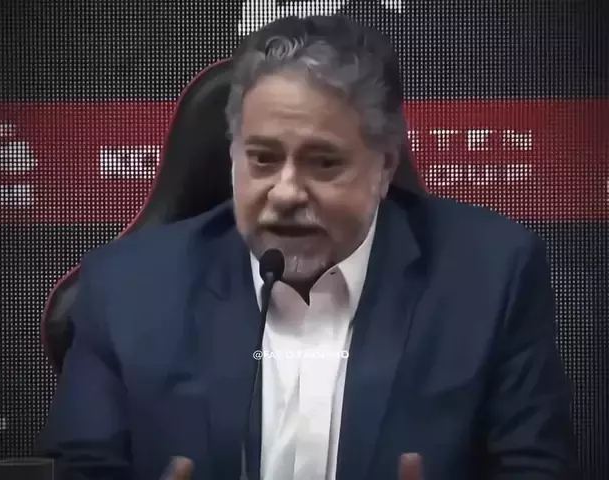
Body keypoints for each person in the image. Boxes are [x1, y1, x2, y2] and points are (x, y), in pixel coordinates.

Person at [38, 15, 579, 480]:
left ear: (384, 167)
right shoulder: (126, 289)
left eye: (323, 163)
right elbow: (82, 469)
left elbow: (534, 467)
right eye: (263, 159)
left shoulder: (491, 277)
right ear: (233, 155)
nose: (287, 193)